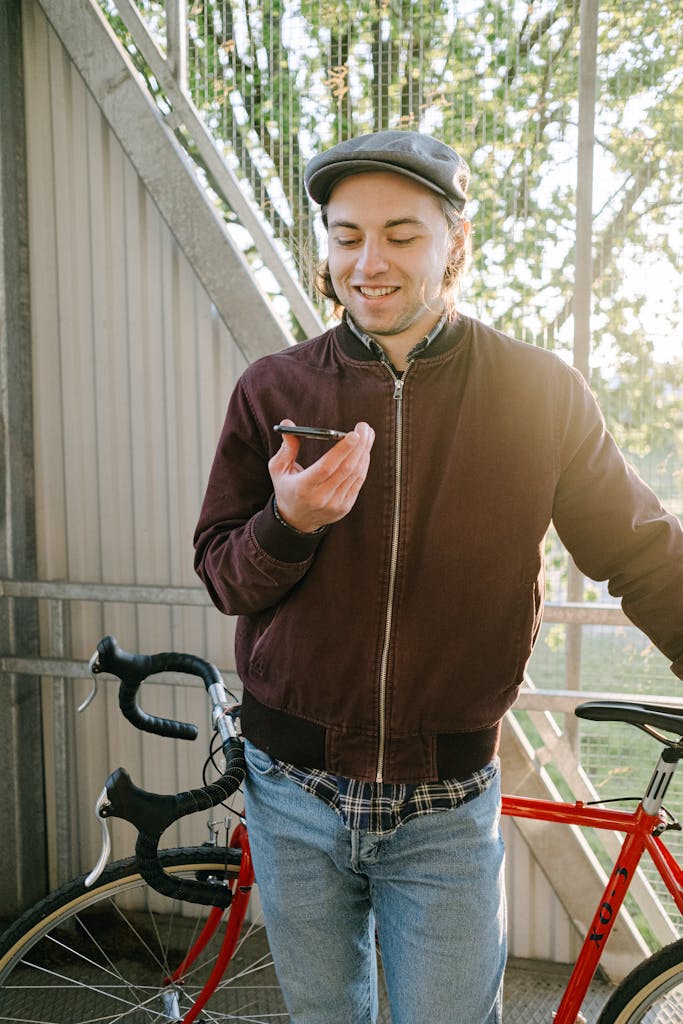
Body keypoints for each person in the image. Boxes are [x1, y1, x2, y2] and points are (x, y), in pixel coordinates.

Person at [194, 130, 683, 1024]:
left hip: (446, 808)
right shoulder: (274, 390)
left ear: (456, 241)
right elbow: (225, 574)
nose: (368, 263)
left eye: (401, 235)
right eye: (346, 236)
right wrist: (288, 524)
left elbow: (641, 552)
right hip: (290, 792)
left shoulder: (537, 394)